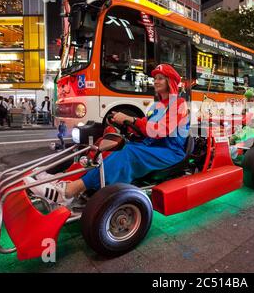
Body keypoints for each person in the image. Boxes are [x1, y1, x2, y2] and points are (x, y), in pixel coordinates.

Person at [25, 64, 189, 206]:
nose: (156, 81)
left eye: (161, 78)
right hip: (151, 145)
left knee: (128, 153)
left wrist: (131, 119)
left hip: (170, 152)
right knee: (106, 147)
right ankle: (62, 179)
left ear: (171, 82)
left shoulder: (179, 104)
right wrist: (125, 123)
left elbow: (158, 130)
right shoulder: (157, 105)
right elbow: (144, 125)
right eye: (155, 78)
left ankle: (68, 192)